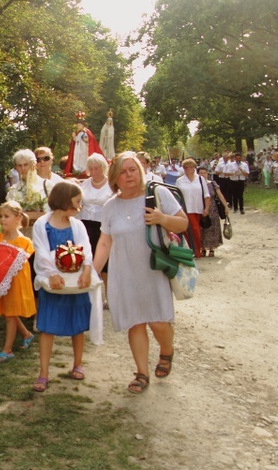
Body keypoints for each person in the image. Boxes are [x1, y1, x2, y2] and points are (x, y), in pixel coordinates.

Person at [93, 152, 189, 394]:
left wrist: (161, 218)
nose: (129, 175)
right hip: (123, 272)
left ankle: (167, 350)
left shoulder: (156, 195)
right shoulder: (110, 206)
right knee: (135, 324)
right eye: (123, 172)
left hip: (153, 270)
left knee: (158, 322)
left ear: (140, 171)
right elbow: (105, 242)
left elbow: (183, 223)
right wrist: (93, 272)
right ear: (114, 178)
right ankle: (142, 373)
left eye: (132, 170)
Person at [31, 182, 94, 391]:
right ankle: (43, 372)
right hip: (54, 283)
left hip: (74, 282)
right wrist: (51, 274)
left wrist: (86, 270)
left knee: (77, 325)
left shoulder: (77, 225)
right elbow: (40, 250)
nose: (79, 207)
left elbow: (86, 247)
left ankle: (78, 363)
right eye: (77, 202)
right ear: (65, 201)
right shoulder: (43, 224)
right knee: (47, 327)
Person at [0, 201, 36, 363]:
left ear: (18, 218)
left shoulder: (24, 242)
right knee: (7, 312)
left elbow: (22, 261)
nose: (2, 220)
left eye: (6, 216)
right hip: (2, 281)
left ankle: (7, 350)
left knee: (10, 314)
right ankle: (27, 334)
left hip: (16, 283)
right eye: (0, 216)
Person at [78, 154, 113, 302]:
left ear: (103, 167)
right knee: (88, 259)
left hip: (103, 226)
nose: (94, 171)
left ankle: (109, 297)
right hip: (85, 225)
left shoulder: (111, 184)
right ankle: (90, 296)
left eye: (97, 168)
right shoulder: (84, 184)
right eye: (91, 168)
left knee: (106, 263)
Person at [175, 158, 211, 259]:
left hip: (198, 209)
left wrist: (206, 209)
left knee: (196, 230)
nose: (188, 169)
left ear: (194, 167)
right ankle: (191, 251)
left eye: (191, 167)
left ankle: (196, 251)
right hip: (185, 209)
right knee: (188, 231)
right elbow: (176, 195)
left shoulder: (200, 179)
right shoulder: (180, 181)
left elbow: (206, 195)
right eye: (186, 167)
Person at [198, 167, 228, 257]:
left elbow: (220, 195)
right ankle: (202, 249)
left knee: (212, 228)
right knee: (202, 228)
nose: (203, 175)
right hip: (200, 209)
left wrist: (226, 206)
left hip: (213, 209)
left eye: (204, 173)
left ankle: (211, 249)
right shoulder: (196, 184)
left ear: (207, 174)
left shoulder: (213, 184)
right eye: (201, 173)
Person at [64, 111, 103, 178]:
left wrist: (86, 140)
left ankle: (83, 170)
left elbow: (89, 141)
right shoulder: (78, 133)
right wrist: (74, 137)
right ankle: (77, 170)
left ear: (83, 125)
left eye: (79, 125)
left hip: (83, 150)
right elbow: (76, 140)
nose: (78, 126)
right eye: (77, 125)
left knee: (83, 160)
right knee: (77, 159)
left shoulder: (86, 132)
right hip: (77, 149)